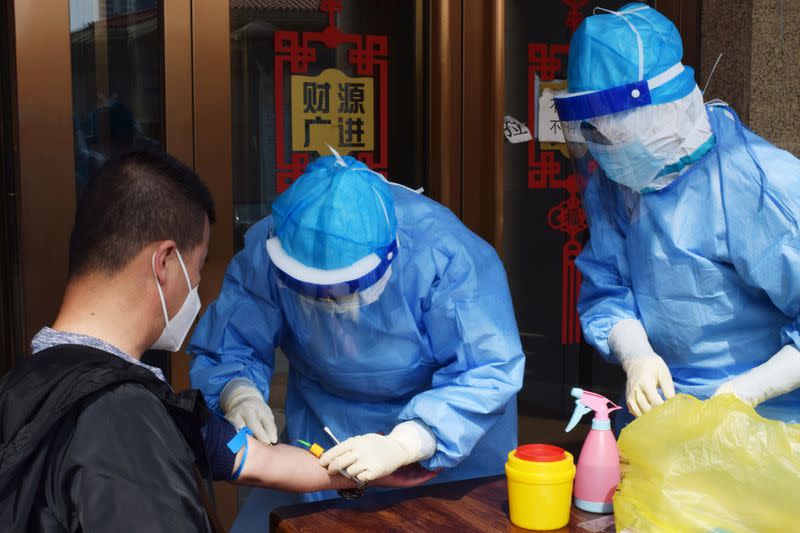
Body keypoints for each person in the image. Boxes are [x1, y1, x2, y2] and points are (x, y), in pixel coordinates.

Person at [0, 151, 423, 533]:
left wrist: (376, 466)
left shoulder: (29, 383)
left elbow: (252, 457)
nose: (200, 287)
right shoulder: (118, 421)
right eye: (199, 266)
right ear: (165, 262)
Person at [188, 151, 525, 503]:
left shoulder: (443, 255)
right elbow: (230, 342)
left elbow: (488, 368)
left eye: (345, 289)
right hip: (327, 427)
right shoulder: (274, 246)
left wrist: (409, 441)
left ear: (388, 258)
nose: (329, 305)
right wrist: (236, 390)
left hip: (451, 442)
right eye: (311, 292)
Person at [553, 3, 800, 425]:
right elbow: (607, 288)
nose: (605, 150)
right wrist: (637, 355)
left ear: (663, 113)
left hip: (765, 424)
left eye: (615, 133)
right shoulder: (617, 181)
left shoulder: (759, 185)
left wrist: (749, 390)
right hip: (664, 418)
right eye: (592, 132)